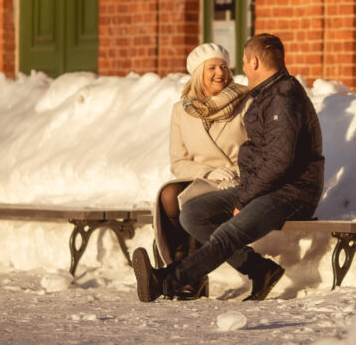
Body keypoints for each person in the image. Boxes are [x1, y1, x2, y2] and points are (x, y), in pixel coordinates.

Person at [133, 33, 325, 303]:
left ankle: (166, 281)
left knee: (228, 232)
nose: (236, 70)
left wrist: (244, 197)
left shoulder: (281, 96)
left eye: (240, 63)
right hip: (264, 185)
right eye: (213, 67)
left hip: (291, 191)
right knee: (193, 213)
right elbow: (262, 156)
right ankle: (261, 270)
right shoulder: (267, 94)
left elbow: (279, 160)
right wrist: (236, 187)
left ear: (254, 62)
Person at [152, 42, 249, 299]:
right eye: (212, 68)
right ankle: (183, 268)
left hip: (236, 179)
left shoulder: (244, 102)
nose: (221, 73)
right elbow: (178, 161)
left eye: (224, 67)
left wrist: (235, 171)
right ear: (197, 73)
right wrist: (207, 172)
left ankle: (187, 276)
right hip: (203, 178)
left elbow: (257, 149)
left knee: (190, 201)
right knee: (169, 195)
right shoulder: (181, 111)